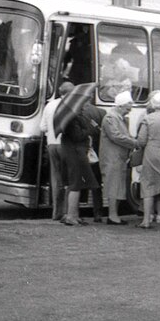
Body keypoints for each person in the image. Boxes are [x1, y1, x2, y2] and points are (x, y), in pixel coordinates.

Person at [57, 95, 100, 226]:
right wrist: (90, 130)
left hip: (74, 152)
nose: (83, 108)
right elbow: (77, 136)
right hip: (75, 153)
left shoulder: (72, 118)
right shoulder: (72, 119)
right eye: (81, 105)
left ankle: (73, 215)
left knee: (75, 183)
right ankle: (71, 216)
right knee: (75, 184)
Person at [136, 91, 160, 228]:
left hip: (151, 152)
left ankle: (146, 220)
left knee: (148, 185)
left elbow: (141, 140)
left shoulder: (148, 118)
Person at [99, 90, 139, 224]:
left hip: (118, 157)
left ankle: (113, 214)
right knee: (113, 185)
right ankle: (112, 215)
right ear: (120, 105)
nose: (130, 109)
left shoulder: (118, 118)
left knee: (117, 185)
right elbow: (115, 136)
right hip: (112, 157)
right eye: (128, 106)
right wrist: (134, 142)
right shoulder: (111, 118)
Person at [40, 81, 74, 220]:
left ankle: (56, 212)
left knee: (56, 178)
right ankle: (66, 212)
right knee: (69, 179)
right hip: (65, 145)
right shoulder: (70, 106)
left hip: (51, 144)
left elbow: (42, 127)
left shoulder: (49, 105)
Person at [80, 97, 107, 221]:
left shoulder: (79, 113)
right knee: (96, 183)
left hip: (82, 148)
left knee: (79, 180)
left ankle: (77, 211)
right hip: (96, 150)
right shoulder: (101, 112)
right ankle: (98, 213)